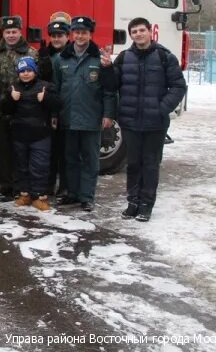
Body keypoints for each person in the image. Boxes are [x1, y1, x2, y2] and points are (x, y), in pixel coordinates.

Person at [113, 17, 186, 222]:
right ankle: (133, 202)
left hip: (156, 123)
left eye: (141, 30)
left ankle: (146, 205)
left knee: (151, 164)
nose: (138, 34)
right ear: (131, 35)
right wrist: (106, 68)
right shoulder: (124, 57)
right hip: (131, 123)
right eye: (134, 32)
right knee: (133, 164)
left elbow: (179, 87)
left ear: (149, 32)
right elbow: (113, 84)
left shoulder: (164, 56)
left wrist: (162, 109)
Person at [52, 16, 115, 212]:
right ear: (72, 33)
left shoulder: (100, 59)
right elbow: (55, 89)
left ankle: (87, 197)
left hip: (91, 118)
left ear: (90, 34)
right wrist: (54, 114)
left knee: (90, 159)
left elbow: (109, 90)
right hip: (68, 117)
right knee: (70, 158)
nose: (80, 36)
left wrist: (108, 115)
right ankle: (72, 193)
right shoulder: (61, 58)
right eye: (77, 32)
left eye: (84, 32)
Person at [0, 16, 38, 199]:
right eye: (7, 32)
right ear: (3, 33)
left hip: (23, 111)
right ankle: (5, 186)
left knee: (21, 151)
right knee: (3, 151)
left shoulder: (31, 53)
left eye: (14, 32)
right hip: (1, 110)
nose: (10, 35)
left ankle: (20, 187)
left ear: (20, 32)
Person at [1, 57, 60, 211]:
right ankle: (25, 194)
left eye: (29, 70)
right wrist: (10, 99)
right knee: (21, 166)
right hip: (19, 134)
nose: (25, 74)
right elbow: (4, 109)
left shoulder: (45, 87)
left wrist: (46, 98)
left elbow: (58, 105)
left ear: (35, 71)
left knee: (39, 166)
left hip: (40, 134)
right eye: (22, 71)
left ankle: (39, 196)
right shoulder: (13, 87)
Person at [37, 12, 71, 197]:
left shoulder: (72, 54)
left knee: (65, 152)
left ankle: (65, 185)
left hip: (65, 108)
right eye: (54, 36)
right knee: (49, 150)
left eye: (60, 35)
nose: (56, 39)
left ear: (68, 36)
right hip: (47, 108)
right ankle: (48, 184)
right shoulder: (44, 54)